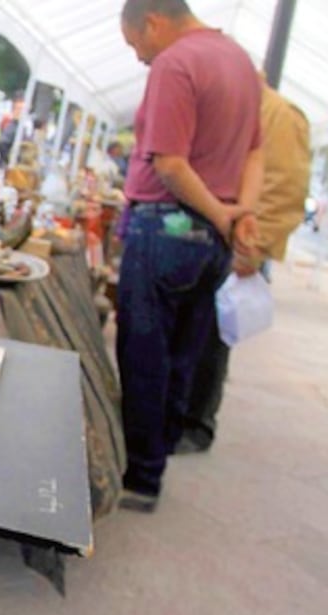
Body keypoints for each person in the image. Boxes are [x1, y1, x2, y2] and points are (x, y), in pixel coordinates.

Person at [115, 0, 263, 512]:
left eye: (137, 44)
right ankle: (159, 455)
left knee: (144, 355)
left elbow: (171, 164)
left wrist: (224, 216)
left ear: (153, 21)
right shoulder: (240, 62)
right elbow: (255, 154)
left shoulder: (175, 62)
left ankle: (140, 474)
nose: (140, 58)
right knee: (182, 354)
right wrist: (239, 211)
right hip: (212, 242)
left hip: (168, 227)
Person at [176, 75, 311, 454]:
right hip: (215, 237)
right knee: (197, 332)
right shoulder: (248, 111)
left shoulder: (278, 115)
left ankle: (196, 422)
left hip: (239, 243)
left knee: (212, 337)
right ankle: (184, 412)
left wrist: (254, 247)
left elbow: (285, 188)